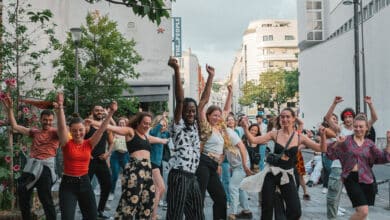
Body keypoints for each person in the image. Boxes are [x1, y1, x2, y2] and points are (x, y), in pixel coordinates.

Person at [240, 108, 327, 220]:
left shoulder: (300, 137)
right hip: (271, 174)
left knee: (295, 210)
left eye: (288, 117)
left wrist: (323, 135)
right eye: (282, 116)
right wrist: (245, 128)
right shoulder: (274, 134)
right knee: (267, 207)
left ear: (293, 119)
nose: (285, 119)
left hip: (287, 175)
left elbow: (322, 148)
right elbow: (253, 140)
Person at [196, 64, 252, 220]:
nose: (217, 117)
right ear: (208, 116)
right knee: (199, 198)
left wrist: (230, 93)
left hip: (214, 165)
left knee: (221, 199)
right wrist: (211, 77)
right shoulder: (206, 127)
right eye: (214, 115)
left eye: (218, 115)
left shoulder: (221, 127)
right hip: (203, 162)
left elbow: (226, 110)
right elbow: (202, 105)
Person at [89, 111, 167, 219]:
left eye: (149, 123)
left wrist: (166, 140)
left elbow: (159, 140)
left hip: (147, 172)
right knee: (130, 202)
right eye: (145, 123)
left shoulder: (146, 136)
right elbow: (112, 127)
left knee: (148, 201)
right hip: (134, 169)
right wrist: (93, 122)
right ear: (138, 122)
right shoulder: (131, 131)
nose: (147, 125)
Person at [56, 94, 117, 219]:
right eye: (74, 131)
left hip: (85, 183)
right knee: (67, 217)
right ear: (70, 132)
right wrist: (60, 107)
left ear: (85, 129)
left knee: (92, 217)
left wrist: (111, 113)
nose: (78, 133)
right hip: (68, 185)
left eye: (80, 130)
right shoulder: (66, 143)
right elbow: (62, 127)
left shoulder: (89, 143)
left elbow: (102, 129)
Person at [2, 93, 58, 220]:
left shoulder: (56, 133)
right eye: (45, 119)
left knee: (46, 199)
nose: (47, 122)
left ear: (53, 121)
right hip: (32, 166)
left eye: (50, 120)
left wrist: (59, 110)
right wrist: (10, 109)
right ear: (40, 119)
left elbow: (64, 132)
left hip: (45, 168)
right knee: (22, 191)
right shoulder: (35, 132)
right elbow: (15, 126)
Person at [325, 114, 390, 220]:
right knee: (363, 212)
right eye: (356, 126)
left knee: (361, 213)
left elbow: (384, 158)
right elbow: (330, 154)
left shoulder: (369, 144)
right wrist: (337, 143)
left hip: (366, 179)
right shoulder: (346, 141)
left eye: (361, 126)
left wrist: (389, 143)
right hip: (351, 178)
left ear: (366, 128)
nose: (358, 129)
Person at [325, 96, 377, 219]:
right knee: (333, 199)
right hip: (338, 168)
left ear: (354, 119)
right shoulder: (340, 129)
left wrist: (370, 104)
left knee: (362, 203)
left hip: (356, 171)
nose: (348, 119)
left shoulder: (359, 129)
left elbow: (374, 118)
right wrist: (334, 104)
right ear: (343, 119)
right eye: (345, 117)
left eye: (350, 117)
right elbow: (327, 118)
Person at [165, 57, 204, 220]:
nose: (191, 113)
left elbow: (204, 101)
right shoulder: (177, 125)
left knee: (197, 214)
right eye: (187, 111)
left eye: (193, 111)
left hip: (191, 176)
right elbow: (179, 100)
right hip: (179, 175)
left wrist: (210, 78)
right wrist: (176, 70)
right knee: (175, 215)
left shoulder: (195, 126)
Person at [149, 115, 169, 220]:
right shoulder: (153, 132)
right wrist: (161, 120)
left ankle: (152, 214)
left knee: (158, 190)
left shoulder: (164, 134)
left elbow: (172, 133)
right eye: (161, 125)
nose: (163, 126)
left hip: (159, 164)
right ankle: (152, 215)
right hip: (152, 163)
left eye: (165, 125)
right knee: (160, 188)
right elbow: (153, 133)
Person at [109, 117, 130, 200]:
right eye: (120, 123)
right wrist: (108, 154)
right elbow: (111, 145)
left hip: (125, 155)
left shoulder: (128, 132)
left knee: (126, 175)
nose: (121, 124)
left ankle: (124, 193)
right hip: (115, 156)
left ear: (126, 124)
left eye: (123, 123)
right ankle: (111, 192)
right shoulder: (115, 132)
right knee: (114, 175)